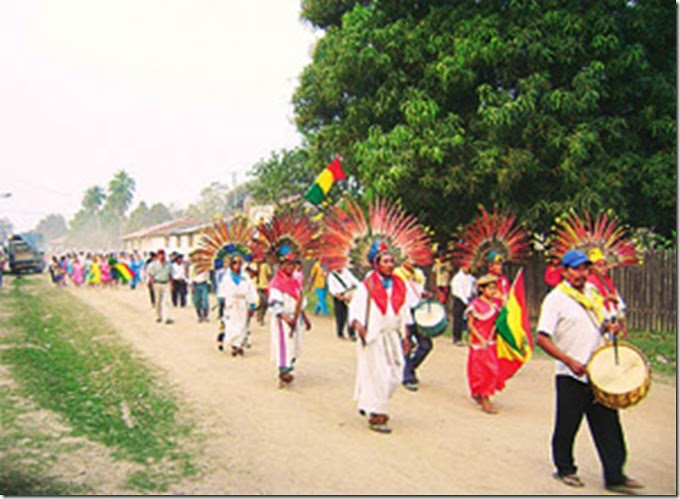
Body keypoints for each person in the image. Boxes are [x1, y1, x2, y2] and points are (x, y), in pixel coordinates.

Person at [535, 250, 643, 493]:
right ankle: (565, 468)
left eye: (585, 269)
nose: (581, 273)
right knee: (567, 424)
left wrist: (610, 327)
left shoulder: (593, 295)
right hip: (570, 373)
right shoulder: (556, 299)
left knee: (608, 423)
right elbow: (542, 338)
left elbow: (601, 325)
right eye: (575, 269)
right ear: (564, 271)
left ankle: (615, 475)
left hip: (597, 372)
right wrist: (569, 361)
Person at [349, 242, 412, 434]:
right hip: (374, 337)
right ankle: (377, 414)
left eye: (392, 261)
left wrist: (406, 336)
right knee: (379, 375)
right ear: (376, 263)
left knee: (395, 375)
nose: (390, 264)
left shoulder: (401, 285)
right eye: (385, 261)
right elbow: (356, 312)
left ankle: (368, 402)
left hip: (392, 336)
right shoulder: (366, 286)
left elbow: (404, 312)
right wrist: (361, 329)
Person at [268, 248, 312, 387]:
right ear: (281, 266)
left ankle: (289, 367)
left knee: (294, 345)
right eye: (287, 264)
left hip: (295, 317)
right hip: (282, 319)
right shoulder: (276, 283)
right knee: (283, 344)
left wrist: (305, 318)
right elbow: (275, 303)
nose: (290, 267)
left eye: (292, 264)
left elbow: (300, 301)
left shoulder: (296, 281)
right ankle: (283, 371)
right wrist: (286, 319)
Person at [465, 274, 504, 414]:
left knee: (492, 369)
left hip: (491, 340)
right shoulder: (475, 305)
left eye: (494, 288)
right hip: (480, 342)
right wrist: (480, 338)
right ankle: (485, 398)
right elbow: (470, 325)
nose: (493, 291)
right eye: (490, 288)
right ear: (481, 289)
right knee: (482, 370)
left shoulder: (495, 304)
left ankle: (483, 393)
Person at [395, 260, 432, 392]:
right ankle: (407, 377)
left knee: (426, 345)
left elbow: (418, 293)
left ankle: (408, 368)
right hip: (404, 312)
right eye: (408, 257)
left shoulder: (419, 275)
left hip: (418, 312)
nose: (411, 261)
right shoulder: (397, 275)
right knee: (407, 344)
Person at [216, 254, 258, 356]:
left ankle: (238, 344)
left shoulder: (245, 277)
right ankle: (234, 344)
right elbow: (222, 291)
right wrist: (221, 301)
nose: (237, 265)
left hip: (242, 303)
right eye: (235, 263)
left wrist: (252, 304)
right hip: (231, 303)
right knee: (231, 325)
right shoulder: (227, 277)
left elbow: (251, 290)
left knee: (242, 325)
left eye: (239, 263)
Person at [586, 247, 629, 337]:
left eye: (605, 265)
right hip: (597, 324)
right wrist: (605, 299)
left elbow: (618, 305)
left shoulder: (609, 283)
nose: (604, 268)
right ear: (592, 268)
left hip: (611, 324)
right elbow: (590, 305)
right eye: (599, 266)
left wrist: (622, 325)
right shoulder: (589, 284)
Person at [327, 265, 360, 340]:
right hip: (339, 295)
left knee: (351, 314)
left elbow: (355, 281)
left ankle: (352, 333)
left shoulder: (346, 272)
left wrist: (359, 288)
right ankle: (340, 332)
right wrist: (339, 296)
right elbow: (332, 288)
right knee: (340, 315)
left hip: (349, 294)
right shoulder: (332, 275)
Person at [450, 262, 476, 346]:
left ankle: (470, 338)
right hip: (459, 299)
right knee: (458, 319)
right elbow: (458, 291)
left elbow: (473, 289)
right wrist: (465, 301)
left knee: (470, 319)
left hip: (469, 299)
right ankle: (457, 338)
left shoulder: (471, 278)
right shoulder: (457, 278)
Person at [146, 249, 173, 324]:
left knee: (166, 301)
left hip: (166, 283)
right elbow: (151, 276)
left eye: (163, 254)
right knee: (158, 301)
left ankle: (167, 317)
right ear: (158, 256)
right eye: (160, 254)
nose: (162, 256)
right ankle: (158, 316)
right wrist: (151, 285)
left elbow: (171, 275)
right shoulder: (153, 265)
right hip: (157, 283)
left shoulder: (168, 265)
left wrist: (171, 285)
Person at [188, 250, 211, 323]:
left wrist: (208, 283)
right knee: (197, 301)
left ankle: (206, 315)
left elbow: (208, 275)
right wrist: (191, 285)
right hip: (196, 284)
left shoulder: (205, 266)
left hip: (203, 284)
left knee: (205, 301)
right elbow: (190, 277)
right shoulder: (192, 267)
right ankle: (199, 316)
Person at [254, 260, 272, 326]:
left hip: (265, 286)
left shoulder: (265, 265)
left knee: (266, 303)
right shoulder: (254, 265)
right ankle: (260, 317)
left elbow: (269, 275)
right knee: (261, 302)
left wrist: (271, 284)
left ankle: (261, 315)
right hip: (258, 287)